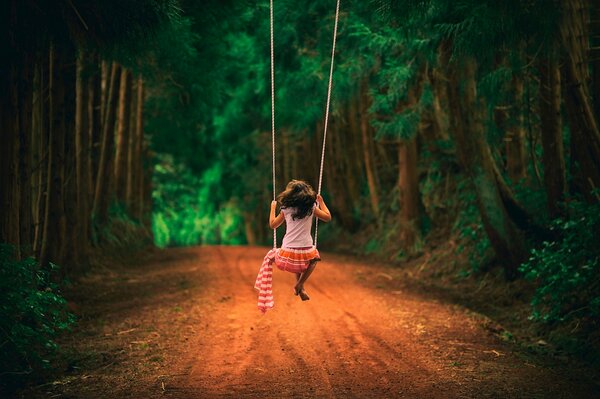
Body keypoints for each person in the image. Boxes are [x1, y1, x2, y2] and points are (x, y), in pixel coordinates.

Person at [269, 179, 331, 301]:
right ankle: (300, 284)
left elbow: (273, 225)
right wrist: (321, 202)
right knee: (313, 259)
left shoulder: (286, 209)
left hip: (287, 251)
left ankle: (300, 287)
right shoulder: (311, 208)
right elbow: (327, 217)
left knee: (297, 261)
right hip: (306, 248)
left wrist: (272, 208)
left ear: (290, 195)